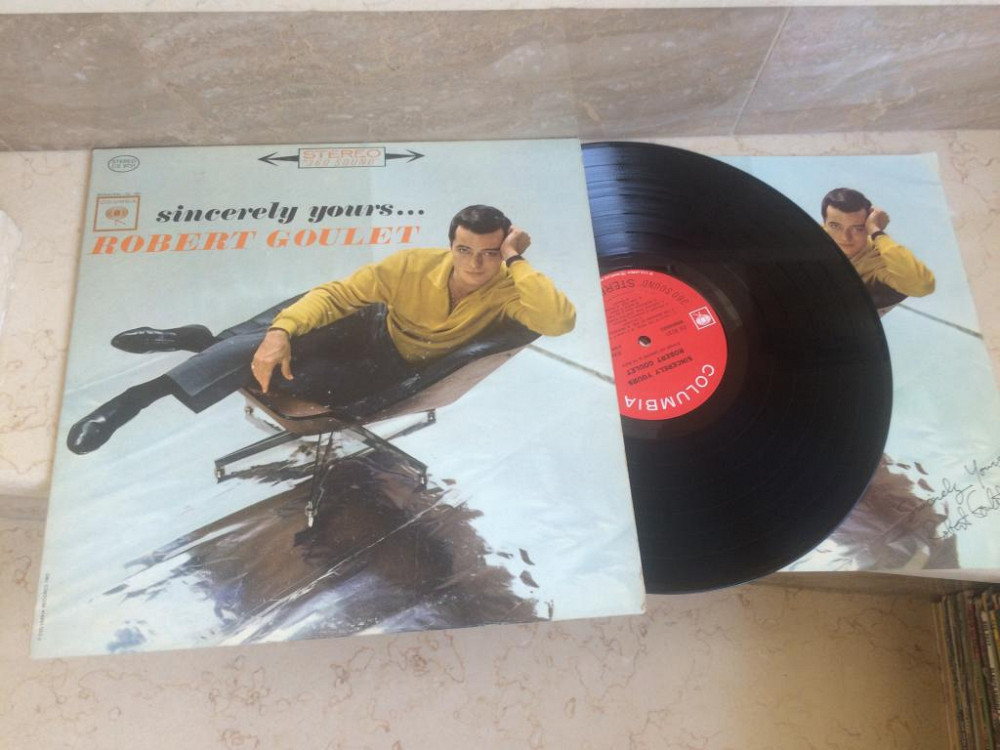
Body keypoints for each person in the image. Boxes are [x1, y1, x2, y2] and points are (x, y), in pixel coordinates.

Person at [67, 205, 576, 454]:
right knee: (273, 339)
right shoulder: (412, 264)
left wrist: (516, 260)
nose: (474, 264)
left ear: (505, 250)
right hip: (365, 328)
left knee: (282, 375)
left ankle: (200, 339)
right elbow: (336, 294)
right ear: (451, 246)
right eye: (464, 250)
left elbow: (559, 321)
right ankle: (134, 400)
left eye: (489, 253)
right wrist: (280, 334)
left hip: (391, 366)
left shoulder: (512, 289)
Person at [821, 187, 935, 311]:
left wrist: (876, 232)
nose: (845, 237)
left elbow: (922, 285)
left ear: (867, 228)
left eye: (857, 228)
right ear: (825, 223)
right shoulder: (814, 237)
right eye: (835, 226)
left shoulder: (876, 260)